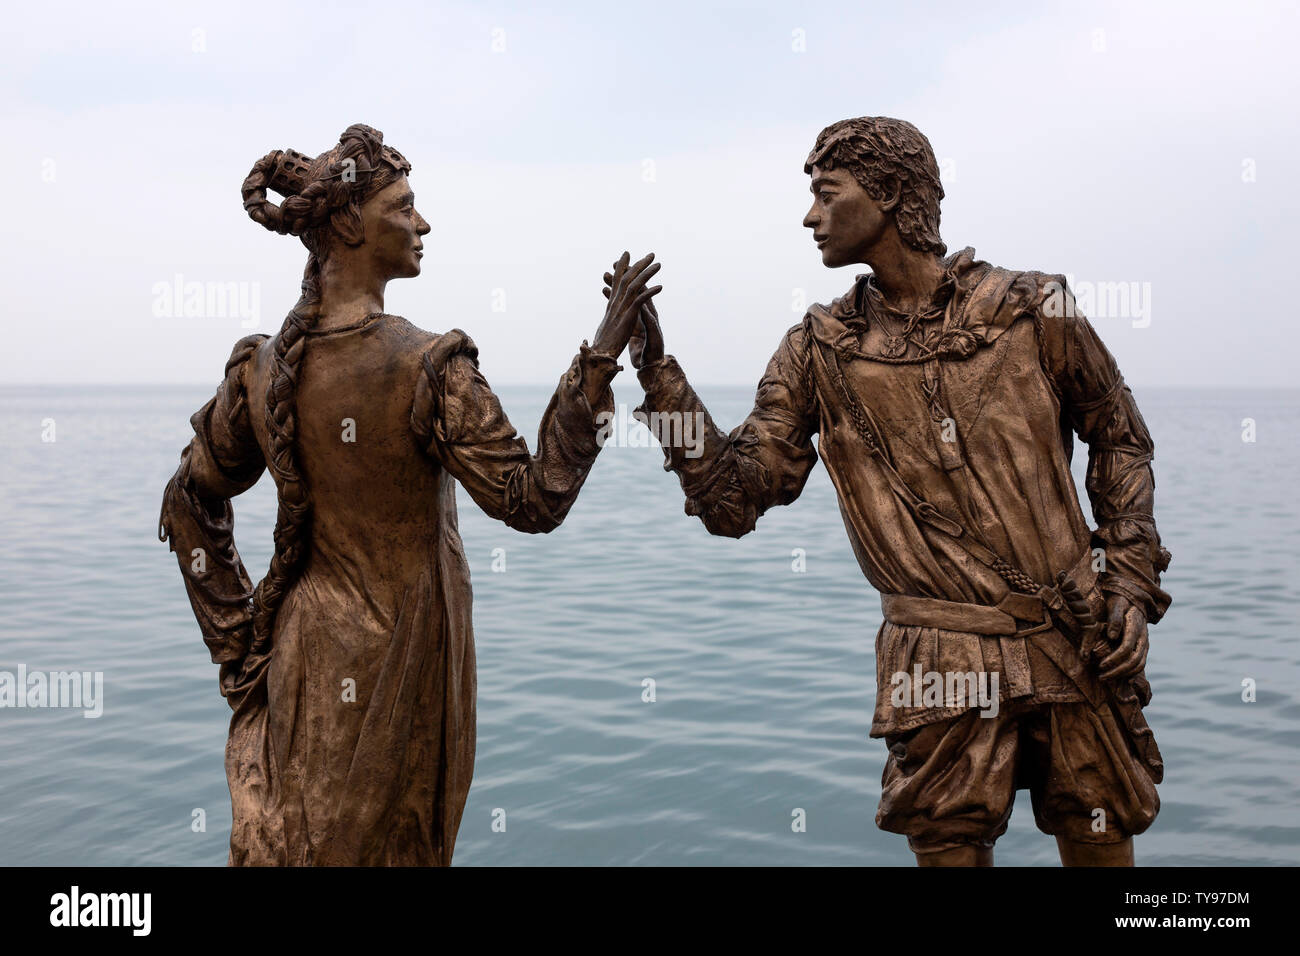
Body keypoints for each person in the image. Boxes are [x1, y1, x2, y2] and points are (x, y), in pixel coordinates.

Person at [622, 116, 1171, 866]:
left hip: (1076, 632)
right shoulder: (816, 348)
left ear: (885, 193)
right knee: (948, 840)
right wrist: (658, 377)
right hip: (935, 654)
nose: (810, 216)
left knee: (1100, 828)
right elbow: (735, 496)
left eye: (825, 193)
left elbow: (1120, 437)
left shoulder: (1036, 306)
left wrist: (1128, 584)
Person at [159, 124, 659, 865]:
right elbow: (532, 499)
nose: (423, 223)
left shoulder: (260, 371)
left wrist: (238, 646)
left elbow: (187, 500)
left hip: (300, 662)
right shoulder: (428, 365)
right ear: (351, 222)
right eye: (405, 206)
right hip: (399, 671)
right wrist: (602, 356)